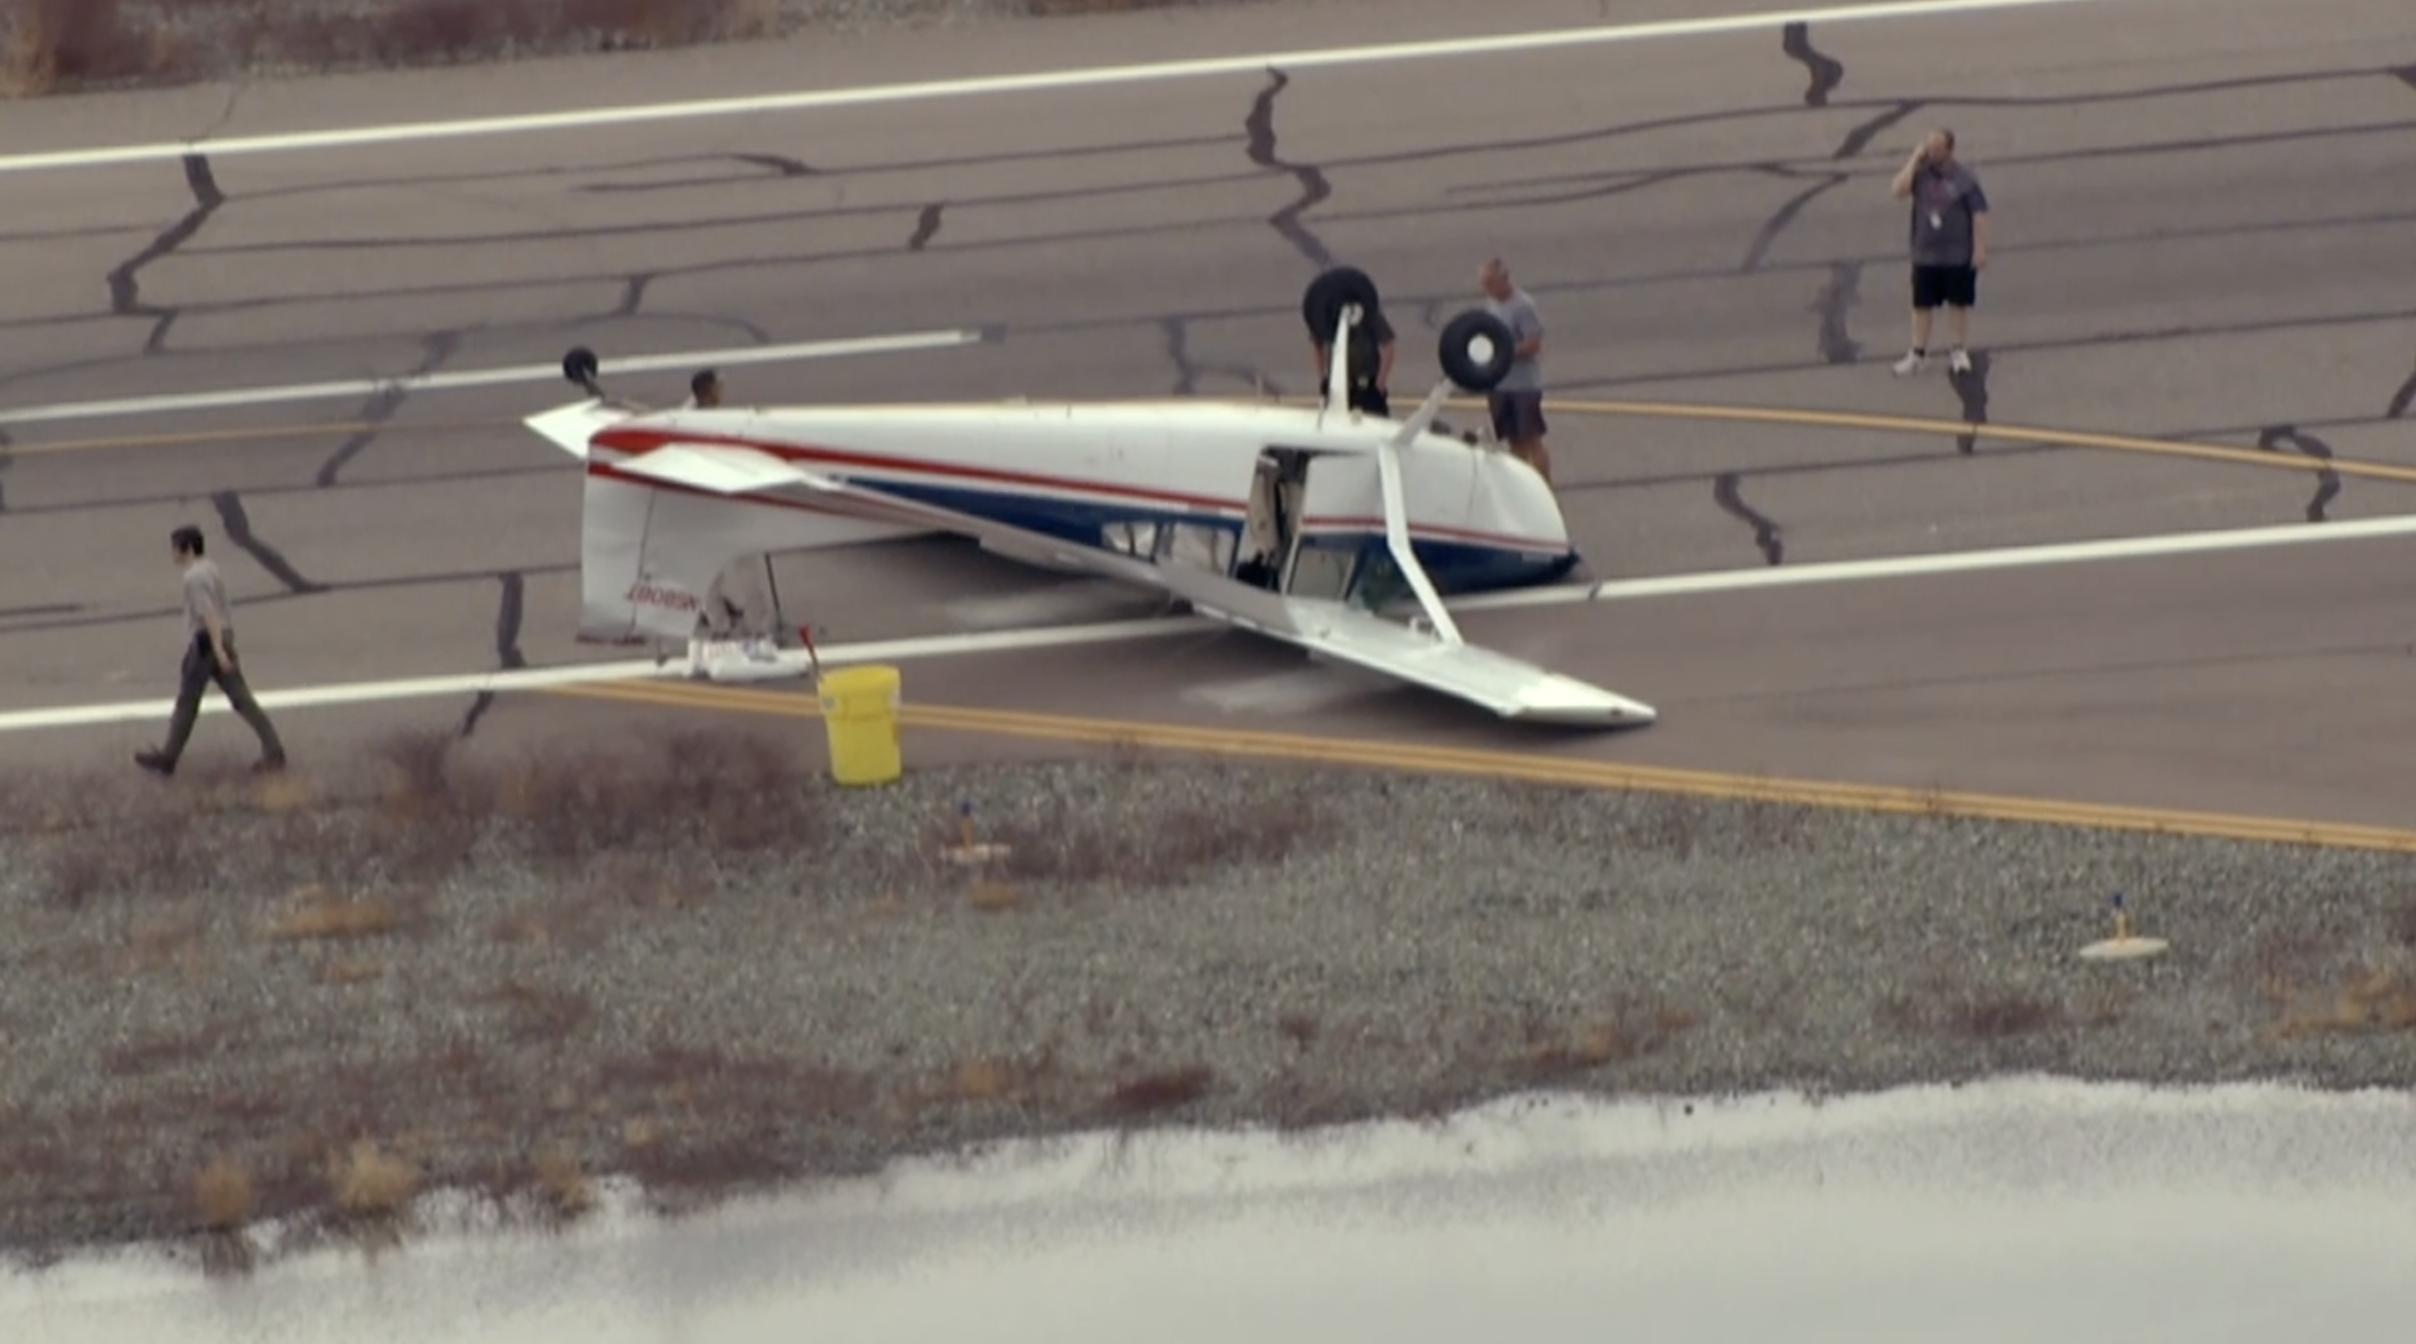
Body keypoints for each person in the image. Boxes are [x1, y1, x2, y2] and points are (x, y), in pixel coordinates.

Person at [136, 524, 286, 776]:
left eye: (175, 548)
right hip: (220, 639)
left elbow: (208, 614)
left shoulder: (194, 577)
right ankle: (274, 751)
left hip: (207, 644)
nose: (172, 554)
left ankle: (168, 757)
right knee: (242, 700)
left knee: (187, 702)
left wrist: (217, 650)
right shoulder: (210, 567)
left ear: (187, 549)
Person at [1890, 128, 1990, 375]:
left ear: (1949, 150)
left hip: (1957, 254)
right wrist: (1914, 158)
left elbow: (1979, 213)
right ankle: (1918, 353)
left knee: (1958, 303)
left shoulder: (1965, 178)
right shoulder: (1920, 174)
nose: (1932, 153)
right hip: (1925, 254)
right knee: (1922, 305)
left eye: (1937, 149)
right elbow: (1898, 191)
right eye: (1929, 148)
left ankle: (1957, 350)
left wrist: (1980, 248)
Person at [1479, 257, 1551, 483]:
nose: (1487, 289)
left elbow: (1533, 343)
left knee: (1531, 440)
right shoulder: (1491, 305)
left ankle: (1544, 485)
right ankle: (1521, 485)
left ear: (1504, 280)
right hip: (1500, 384)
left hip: (1523, 386)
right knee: (1513, 441)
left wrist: (1505, 352)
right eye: (1484, 284)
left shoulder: (1523, 306)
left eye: (1490, 283)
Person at [1311, 305, 1395, 417]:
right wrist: (1323, 379)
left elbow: (1388, 345)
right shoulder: (1328, 314)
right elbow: (1317, 346)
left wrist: (1380, 383)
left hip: (1367, 387)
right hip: (1338, 386)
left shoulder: (1368, 312)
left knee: (1375, 425)